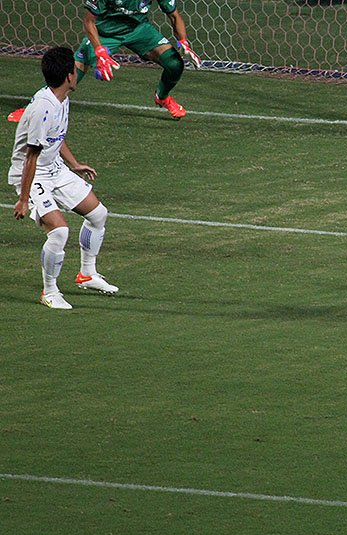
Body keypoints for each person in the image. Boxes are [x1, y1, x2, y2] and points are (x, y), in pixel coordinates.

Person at [9, 46, 119, 310]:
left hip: (54, 168)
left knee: (98, 215)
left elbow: (56, 138)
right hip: (31, 174)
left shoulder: (61, 98)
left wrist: (75, 164)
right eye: (75, 70)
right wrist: (24, 199)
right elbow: (31, 157)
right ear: (69, 76)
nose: (77, 73)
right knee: (59, 232)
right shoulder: (43, 108)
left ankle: (87, 274)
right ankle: (49, 291)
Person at [7, 0, 202, 123]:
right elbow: (89, 21)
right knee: (76, 67)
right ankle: (33, 109)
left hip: (139, 30)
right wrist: (99, 50)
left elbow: (174, 16)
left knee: (175, 64)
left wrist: (183, 41)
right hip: (104, 32)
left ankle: (162, 97)